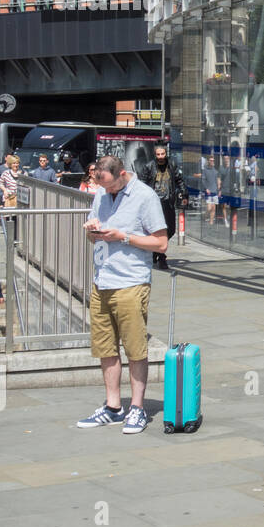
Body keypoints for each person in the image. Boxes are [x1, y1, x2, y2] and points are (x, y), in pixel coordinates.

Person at [77, 155, 168, 434]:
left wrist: (124, 237)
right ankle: (113, 407)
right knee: (105, 348)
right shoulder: (102, 194)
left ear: (122, 174)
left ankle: (137, 408)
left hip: (131, 282)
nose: (107, 192)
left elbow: (161, 243)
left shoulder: (145, 196)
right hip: (102, 280)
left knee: (134, 348)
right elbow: (94, 234)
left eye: (110, 186)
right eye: (101, 186)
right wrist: (92, 231)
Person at [138, 144, 187, 271]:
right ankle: (161, 257)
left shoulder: (172, 165)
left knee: (171, 229)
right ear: (155, 155)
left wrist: (183, 191)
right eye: (158, 154)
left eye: (162, 154)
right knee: (158, 229)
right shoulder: (149, 166)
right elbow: (142, 183)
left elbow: (179, 179)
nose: (160, 157)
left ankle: (155, 252)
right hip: (154, 203)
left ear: (166, 154)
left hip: (168, 202)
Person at [202, 155, 222, 225]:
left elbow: (218, 181)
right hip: (208, 192)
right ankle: (204, 216)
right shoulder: (205, 170)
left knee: (213, 208)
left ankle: (211, 222)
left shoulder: (216, 171)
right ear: (208, 161)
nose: (212, 161)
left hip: (215, 191)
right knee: (209, 208)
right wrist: (206, 188)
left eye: (213, 160)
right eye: (211, 160)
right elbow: (203, 180)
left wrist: (219, 190)